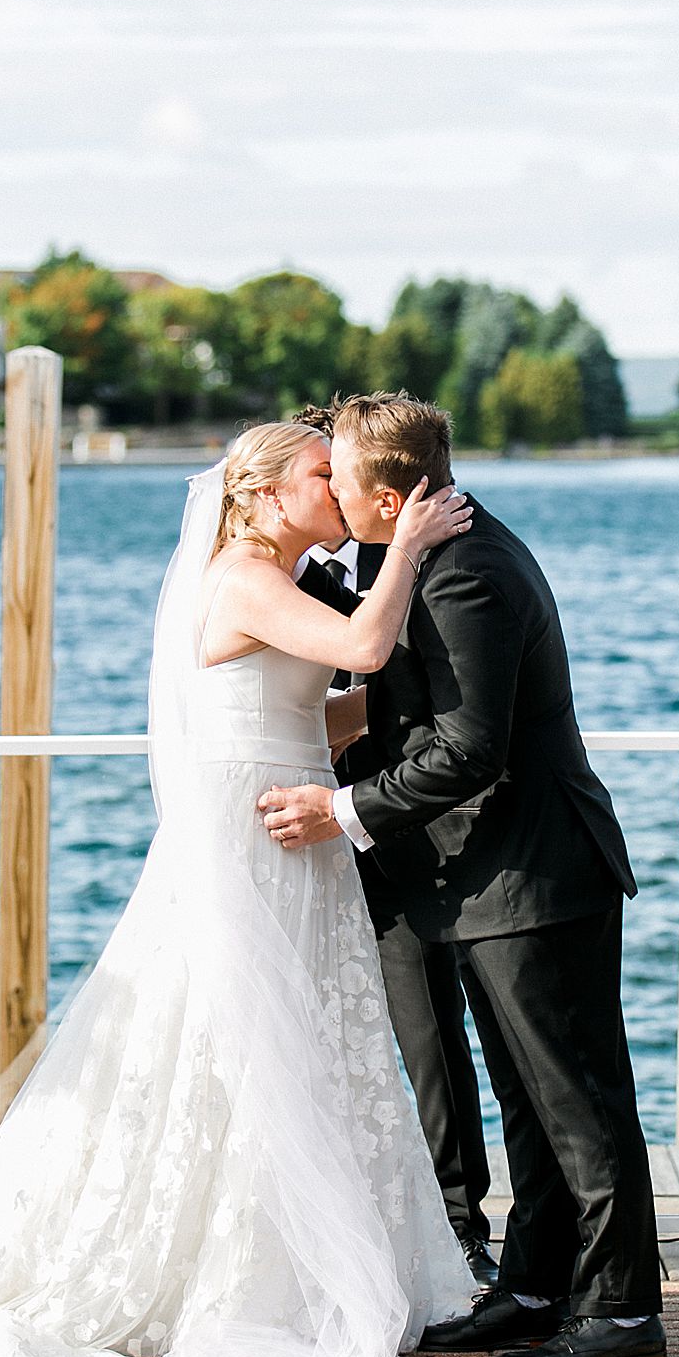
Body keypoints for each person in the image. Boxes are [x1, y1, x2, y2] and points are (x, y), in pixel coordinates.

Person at [0, 422, 476, 1357]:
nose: (342, 481)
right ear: (266, 495)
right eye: (323, 470)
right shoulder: (239, 575)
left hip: (295, 819)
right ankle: (217, 1265)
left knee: (292, 1039)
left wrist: (402, 724)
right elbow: (361, 647)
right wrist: (406, 542)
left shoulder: (281, 577)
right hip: (246, 835)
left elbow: (306, 715)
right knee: (222, 1032)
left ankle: (296, 1245)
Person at [259, 393, 666, 1357]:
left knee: (578, 1099)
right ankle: (531, 1288)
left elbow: (472, 748)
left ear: (391, 498)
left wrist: (340, 815)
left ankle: (619, 1314)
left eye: (341, 477)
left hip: (536, 871)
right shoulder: (434, 552)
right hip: (490, 879)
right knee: (526, 1099)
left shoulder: (467, 572)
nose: (332, 489)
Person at [293, 406, 497, 1288]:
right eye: (320, 475)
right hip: (293, 828)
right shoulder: (263, 575)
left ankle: (455, 1226)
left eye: (334, 473)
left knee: (427, 1031)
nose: (332, 490)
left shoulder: (405, 551)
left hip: (394, 829)